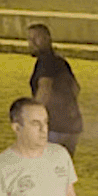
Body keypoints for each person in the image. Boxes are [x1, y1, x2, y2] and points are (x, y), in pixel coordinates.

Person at [28, 25, 84, 158]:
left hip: (53, 127)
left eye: (36, 39)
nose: (32, 43)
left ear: (47, 39)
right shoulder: (60, 61)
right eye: (30, 39)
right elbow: (76, 88)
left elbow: (45, 90)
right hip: (71, 127)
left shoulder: (45, 62)